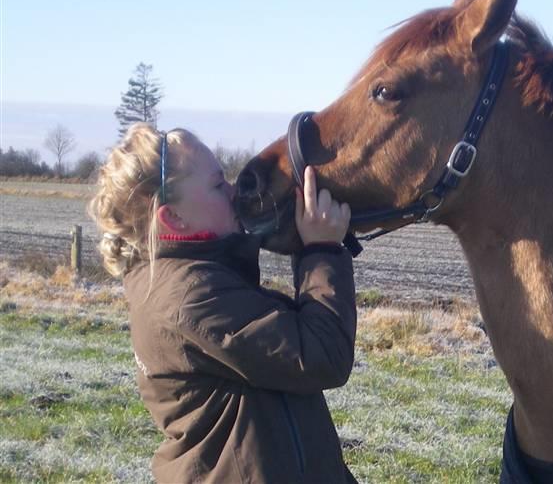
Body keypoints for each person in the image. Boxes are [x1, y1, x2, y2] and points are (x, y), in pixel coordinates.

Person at [88, 123, 358, 483]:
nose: (232, 192)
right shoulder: (190, 298)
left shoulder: (195, 277)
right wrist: (321, 250)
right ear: (174, 218)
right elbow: (321, 354)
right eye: (218, 185)